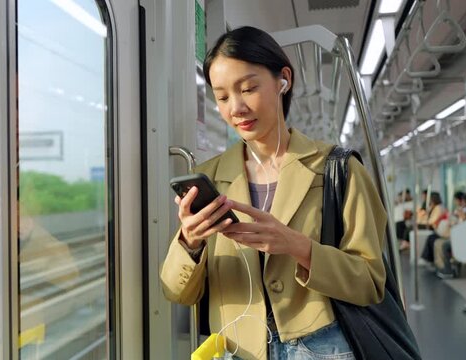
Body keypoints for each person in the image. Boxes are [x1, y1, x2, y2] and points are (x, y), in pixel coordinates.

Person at [160, 26, 387, 360]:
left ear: (284, 80)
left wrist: (297, 246)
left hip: (322, 347)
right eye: (222, 97)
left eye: (248, 88)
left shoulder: (338, 169)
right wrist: (190, 243)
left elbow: (370, 282)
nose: (235, 107)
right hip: (237, 350)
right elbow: (176, 292)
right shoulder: (209, 177)